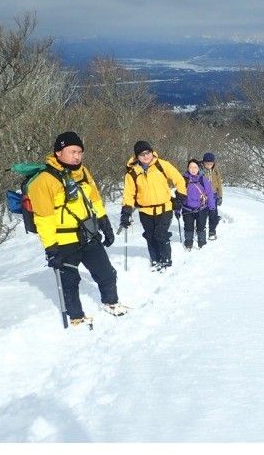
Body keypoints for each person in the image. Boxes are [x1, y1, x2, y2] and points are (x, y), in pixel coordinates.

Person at [27, 131, 126, 327]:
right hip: (64, 241)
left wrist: (104, 221)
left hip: (88, 235)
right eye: (72, 151)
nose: (77, 156)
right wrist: (50, 248)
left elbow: (94, 198)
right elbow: (44, 218)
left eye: (80, 152)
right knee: (70, 282)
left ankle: (111, 302)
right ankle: (76, 316)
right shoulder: (44, 180)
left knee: (106, 272)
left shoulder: (83, 172)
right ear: (58, 152)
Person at [120, 140, 187, 272]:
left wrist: (180, 198)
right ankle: (155, 259)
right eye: (142, 154)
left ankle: (166, 260)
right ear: (137, 157)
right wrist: (126, 212)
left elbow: (179, 179)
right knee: (150, 236)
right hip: (145, 211)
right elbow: (129, 194)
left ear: (152, 152)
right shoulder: (132, 173)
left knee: (160, 235)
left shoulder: (162, 165)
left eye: (148, 153)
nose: (146, 156)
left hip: (164, 208)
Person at [179, 158, 216, 251]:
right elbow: (179, 194)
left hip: (201, 208)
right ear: (188, 168)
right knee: (188, 227)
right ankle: (188, 244)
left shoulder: (203, 179)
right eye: (191, 167)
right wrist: (176, 208)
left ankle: (202, 244)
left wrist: (212, 206)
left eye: (195, 167)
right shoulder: (183, 179)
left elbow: (209, 193)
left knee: (201, 227)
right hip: (187, 209)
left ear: (198, 168)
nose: (193, 169)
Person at [201, 152, 224, 240]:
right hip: (204, 196)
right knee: (202, 214)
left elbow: (219, 184)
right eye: (207, 164)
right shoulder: (200, 171)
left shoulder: (216, 171)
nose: (209, 165)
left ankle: (212, 231)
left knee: (213, 214)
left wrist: (220, 196)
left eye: (211, 164)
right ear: (203, 163)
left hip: (214, 196)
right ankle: (200, 229)